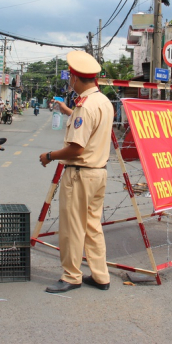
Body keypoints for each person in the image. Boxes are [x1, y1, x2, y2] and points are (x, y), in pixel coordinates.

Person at [39, 51, 114, 293]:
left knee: (72, 227)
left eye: (71, 77)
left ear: (75, 78)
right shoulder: (103, 101)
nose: (70, 81)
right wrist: (68, 111)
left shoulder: (84, 105)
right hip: (98, 173)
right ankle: (101, 276)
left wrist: (49, 156)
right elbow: (89, 127)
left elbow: (76, 148)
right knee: (92, 226)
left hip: (80, 174)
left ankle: (71, 276)